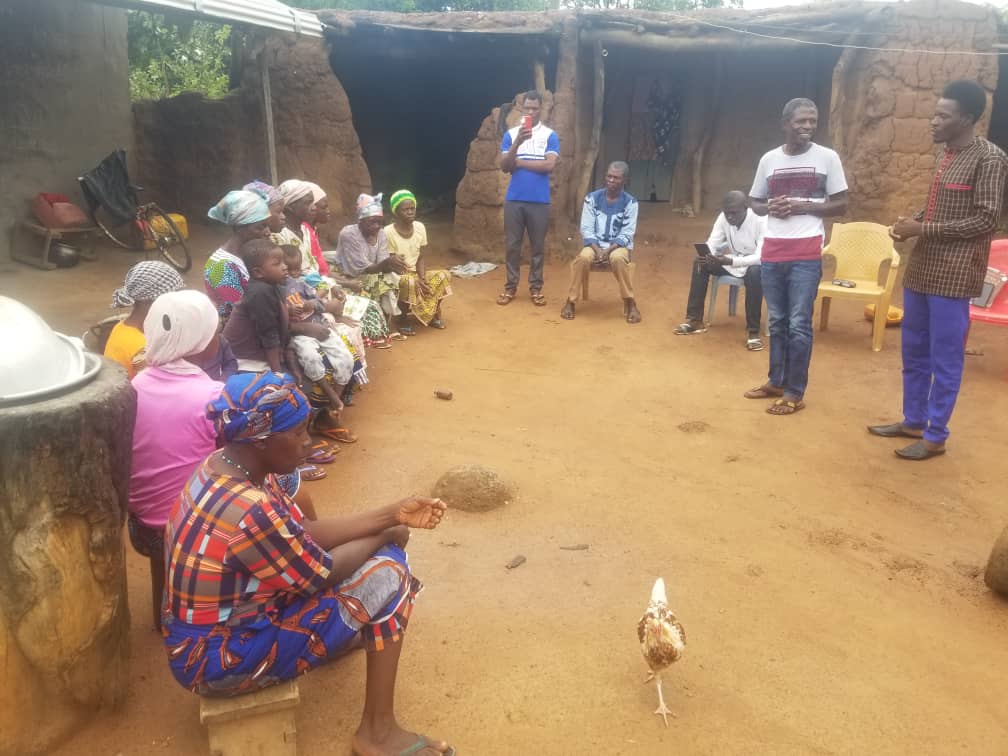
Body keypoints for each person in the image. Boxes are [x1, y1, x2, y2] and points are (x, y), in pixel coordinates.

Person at [161, 372, 455, 756]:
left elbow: (302, 534)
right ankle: (377, 733)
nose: (308, 443)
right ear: (262, 439)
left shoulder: (223, 468)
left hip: (198, 641)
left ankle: (343, 638)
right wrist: (387, 535)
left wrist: (390, 514)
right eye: (298, 433)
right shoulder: (252, 509)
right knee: (390, 573)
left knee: (372, 560)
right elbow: (320, 572)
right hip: (216, 663)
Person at [870, 80, 1008, 460]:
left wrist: (923, 229)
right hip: (923, 269)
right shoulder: (945, 154)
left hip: (955, 274)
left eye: (942, 116)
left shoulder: (990, 158)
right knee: (914, 351)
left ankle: (936, 435)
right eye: (934, 114)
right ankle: (913, 420)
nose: (933, 121)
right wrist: (909, 223)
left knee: (945, 357)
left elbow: (986, 220)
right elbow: (935, 209)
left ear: (965, 118)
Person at [744, 97, 848, 415]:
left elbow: (842, 204)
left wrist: (804, 206)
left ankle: (794, 391)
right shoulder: (769, 160)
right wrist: (769, 207)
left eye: (812, 122)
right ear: (785, 124)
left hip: (806, 251)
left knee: (799, 323)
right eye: (801, 121)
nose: (807, 127)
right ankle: (776, 380)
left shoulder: (827, 158)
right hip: (773, 249)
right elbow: (754, 202)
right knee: (776, 321)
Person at [128, 290, 224, 630]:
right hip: (192, 530)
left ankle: (162, 613)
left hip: (143, 528)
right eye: (215, 331)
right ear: (201, 342)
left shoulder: (136, 384)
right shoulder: (213, 396)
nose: (219, 336)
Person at [676, 190, 767, 350]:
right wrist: (708, 254)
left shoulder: (761, 219)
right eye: (727, 213)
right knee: (700, 262)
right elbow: (713, 242)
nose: (730, 217)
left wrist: (730, 260)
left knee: (754, 272)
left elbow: (761, 257)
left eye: (734, 213)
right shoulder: (723, 218)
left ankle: (753, 332)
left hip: (756, 264)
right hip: (732, 261)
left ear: (746, 207)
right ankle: (695, 320)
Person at [280, 244, 359, 420]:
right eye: (288, 268)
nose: (293, 273)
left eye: (296, 268)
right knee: (311, 358)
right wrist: (288, 311)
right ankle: (331, 395)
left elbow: (319, 303)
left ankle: (336, 400)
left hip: (319, 326)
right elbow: (277, 318)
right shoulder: (275, 292)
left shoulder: (300, 284)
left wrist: (311, 304)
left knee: (345, 357)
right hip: (300, 335)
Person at [497, 91, 560, 307]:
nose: (531, 112)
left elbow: (549, 166)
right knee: (512, 246)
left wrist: (520, 163)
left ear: (541, 109)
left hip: (540, 201)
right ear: (521, 109)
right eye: (527, 108)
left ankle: (535, 288)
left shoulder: (550, 135)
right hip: (514, 199)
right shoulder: (511, 134)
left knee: (537, 247)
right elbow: (505, 167)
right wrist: (517, 144)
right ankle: (510, 287)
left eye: (535, 108)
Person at [561, 162, 640, 323]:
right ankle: (570, 301)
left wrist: (608, 250)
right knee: (583, 258)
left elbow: (627, 233)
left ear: (624, 180)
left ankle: (630, 301)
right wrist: (598, 250)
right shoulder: (592, 198)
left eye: (616, 178)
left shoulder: (631, 203)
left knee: (618, 258)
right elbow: (586, 229)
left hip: (618, 247)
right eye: (609, 176)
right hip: (594, 245)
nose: (611, 180)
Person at [336, 193, 408, 329]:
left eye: (379, 222)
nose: (377, 226)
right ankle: (383, 326)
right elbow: (361, 269)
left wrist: (395, 264)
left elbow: (382, 262)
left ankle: (387, 323)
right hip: (349, 278)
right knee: (386, 280)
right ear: (360, 220)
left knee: (394, 277)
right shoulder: (349, 234)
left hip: (371, 275)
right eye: (372, 222)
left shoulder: (381, 234)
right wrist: (387, 264)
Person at [385, 189, 452, 331]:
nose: (410, 212)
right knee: (409, 282)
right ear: (396, 212)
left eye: (412, 208)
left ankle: (432, 313)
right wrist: (415, 280)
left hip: (416, 273)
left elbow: (420, 256)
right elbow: (392, 264)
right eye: (405, 210)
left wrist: (422, 278)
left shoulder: (420, 227)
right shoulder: (388, 232)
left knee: (443, 275)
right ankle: (401, 318)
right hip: (398, 275)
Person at [104, 260, 184, 377]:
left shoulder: (124, 325)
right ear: (149, 301)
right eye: (173, 298)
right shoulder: (142, 350)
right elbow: (153, 390)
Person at [222, 238, 289, 373]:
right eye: (277, 264)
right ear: (258, 272)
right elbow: (268, 333)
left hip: (255, 352)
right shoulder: (260, 292)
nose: (285, 266)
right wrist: (277, 374)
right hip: (243, 360)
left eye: (283, 262)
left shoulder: (272, 285)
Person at [204, 190, 272, 321]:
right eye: (260, 227)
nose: (268, 232)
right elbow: (240, 315)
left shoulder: (251, 253)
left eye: (267, 226)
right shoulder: (222, 267)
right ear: (240, 228)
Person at [272, 179, 318, 275]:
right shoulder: (279, 235)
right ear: (290, 207)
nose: (314, 207)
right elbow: (288, 276)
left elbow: (312, 268)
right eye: (308, 203)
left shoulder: (305, 229)